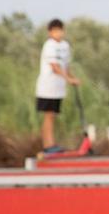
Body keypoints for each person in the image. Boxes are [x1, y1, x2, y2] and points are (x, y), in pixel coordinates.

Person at [35, 19, 81, 153]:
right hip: (47, 87)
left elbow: (65, 66)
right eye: (55, 31)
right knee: (48, 116)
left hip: (58, 88)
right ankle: (47, 145)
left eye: (60, 30)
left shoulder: (65, 46)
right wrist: (68, 80)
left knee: (53, 115)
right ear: (50, 32)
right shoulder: (49, 45)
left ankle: (52, 143)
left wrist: (72, 78)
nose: (58, 33)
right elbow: (55, 67)